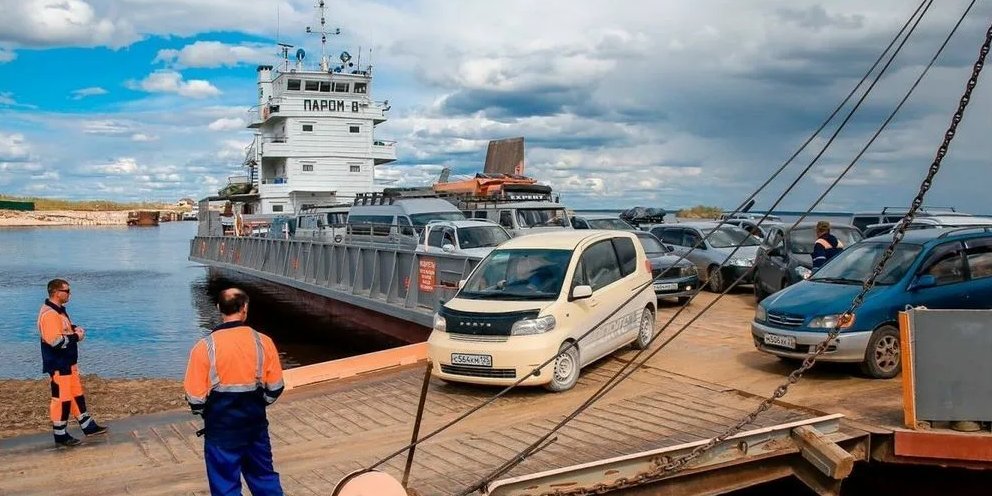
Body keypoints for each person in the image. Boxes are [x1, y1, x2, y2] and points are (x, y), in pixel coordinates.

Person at [184, 288, 285, 496]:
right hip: (255, 426)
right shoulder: (263, 342)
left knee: (225, 485)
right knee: (264, 477)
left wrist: (209, 412)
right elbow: (275, 388)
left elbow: (195, 399)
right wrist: (257, 403)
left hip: (221, 430)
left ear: (219, 308)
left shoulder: (204, 347)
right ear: (245, 308)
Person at [38, 278, 108, 447]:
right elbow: (55, 341)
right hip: (58, 365)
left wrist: (74, 328)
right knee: (61, 399)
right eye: (67, 291)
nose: (70, 294)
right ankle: (60, 435)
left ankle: (88, 425)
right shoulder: (49, 314)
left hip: (68, 363)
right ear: (56, 293)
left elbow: (63, 330)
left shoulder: (59, 312)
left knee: (76, 394)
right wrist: (77, 337)